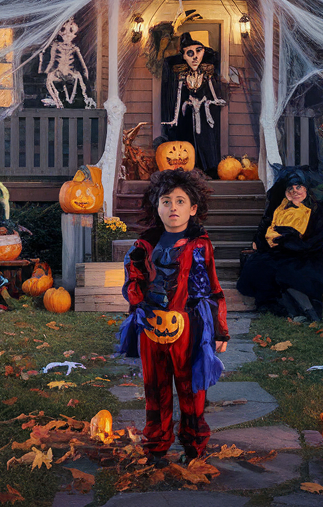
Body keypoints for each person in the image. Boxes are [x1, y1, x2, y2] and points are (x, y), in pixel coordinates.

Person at [116, 169, 229, 463]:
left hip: (189, 326)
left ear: (193, 209)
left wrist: (220, 331)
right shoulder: (144, 245)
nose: (173, 208)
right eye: (166, 201)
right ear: (157, 207)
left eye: (180, 201)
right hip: (151, 327)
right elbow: (133, 291)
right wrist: (135, 277)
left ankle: (195, 445)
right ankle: (157, 443)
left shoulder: (201, 244)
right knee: (155, 389)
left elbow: (213, 290)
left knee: (191, 389)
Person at [236, 170, 323, 322]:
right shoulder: (280, 209)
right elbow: (268, 229)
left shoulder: (314, 212)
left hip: (304, 255)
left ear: (306, 189)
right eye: (291, 189)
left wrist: (294, 241)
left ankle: (311, 313)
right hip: (280, 252)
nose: (295, 192)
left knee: (290, 274)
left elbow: (316, 239)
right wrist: (269, 240)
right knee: (263, 269)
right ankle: (293, 312)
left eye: (298, 187)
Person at [160, 33, 225, 175]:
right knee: (186, 143)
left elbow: (214, 93)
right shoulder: (180, 77)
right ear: (183, 56)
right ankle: (188, 170)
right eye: (190, 53)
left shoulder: (207, 75)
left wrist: (210, 103)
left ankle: (207, 169)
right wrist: (174, 117)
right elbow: (175, 98)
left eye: (199, 51)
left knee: (206, 140)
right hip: (186, 117)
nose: (195, 57)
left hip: (204, 115)